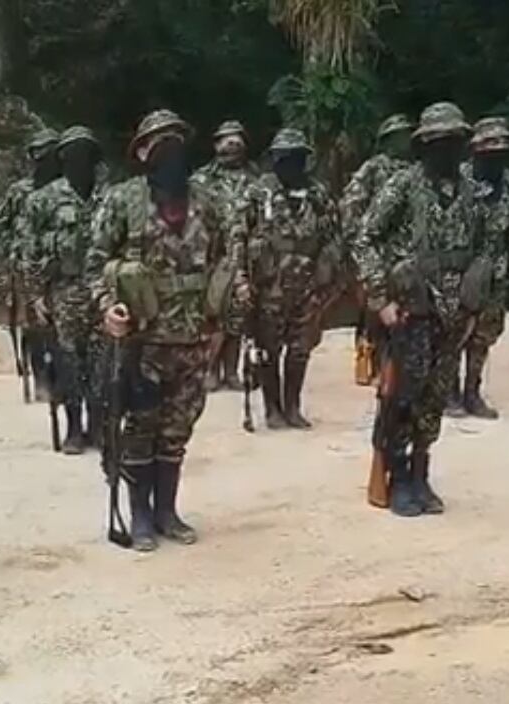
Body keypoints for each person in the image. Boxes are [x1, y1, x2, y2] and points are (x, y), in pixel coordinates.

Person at [90, 109, 236, 552]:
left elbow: (228, 259)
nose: (169, 149)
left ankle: (167, 512)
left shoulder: (208, 201)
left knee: (177, 429)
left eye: (176, 139)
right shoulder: (123, 201)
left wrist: (223, 321)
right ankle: (139, 517)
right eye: (158, 142)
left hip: (193, 339)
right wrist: (108, 308)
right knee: (139, 428)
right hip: (142, 341)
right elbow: (94, 262)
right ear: (141, 152)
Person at [354, 101, 487, 517]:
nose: (447, 149)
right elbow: (365, 238)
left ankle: (420, 474)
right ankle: (394, 477)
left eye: (453, 141)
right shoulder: (403, 185)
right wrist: (381, 299)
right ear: (424, 146)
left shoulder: (469, 191)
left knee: (433, 398)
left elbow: (484, 248)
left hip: (455, 312)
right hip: (413, 310)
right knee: (401, 397)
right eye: (438, 142)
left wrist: (477, 301)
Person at [230, 128, 342, 429]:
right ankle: (272, 409)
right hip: (268, 287)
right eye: (283, 158)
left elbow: (334, 239)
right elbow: (238, 237)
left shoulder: (318, 195)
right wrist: (240, 280)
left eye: (295, 158)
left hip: (307, 286)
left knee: (299, 350)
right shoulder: (258, 193)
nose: (289, 165)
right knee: (268, 349)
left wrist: (328, 281)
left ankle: (293, 407)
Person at [21, 126, 103, 454]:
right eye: (73, 154)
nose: (79, 161)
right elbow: (29, 249)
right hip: (64, 292)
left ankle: (97, 427)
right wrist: (36, 296)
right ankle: (72, 428)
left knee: (102, 364)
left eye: (86, 153)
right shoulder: (44, 200)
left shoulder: (110, 198)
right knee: (69, 364)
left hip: (102, 293)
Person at [453, 116, 509, 419]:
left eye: (501, 153)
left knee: (483, 338)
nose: (495, 160)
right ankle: (449, 393)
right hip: (460, 272)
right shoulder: (459, 180)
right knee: (454, 335)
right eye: (489, 153)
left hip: (496, 272)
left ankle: (472, 392)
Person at [341, 114, 415, 385]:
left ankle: (393, 365)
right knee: (373, 310)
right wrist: (355, 241)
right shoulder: (373, 168)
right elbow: (351, 203)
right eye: (398, 135)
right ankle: (367, 360)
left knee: (401, 311)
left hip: (406, 252)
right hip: (375, 249)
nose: (403, 139)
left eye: (406, 134)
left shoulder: (415, 169)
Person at [191, 120, 258, 392]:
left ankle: (231, 372)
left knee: (238, 316)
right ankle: (210, 369)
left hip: (243, 256)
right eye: (226, 141)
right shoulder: (200, 180)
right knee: (211, 313)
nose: (232, 146)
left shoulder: (255, 182)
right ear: (216, 145)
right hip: (211, 257)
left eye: (237, 141)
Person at [1, 128, 61, 401]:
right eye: (37, 153)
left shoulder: (64, 190)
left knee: (61, 326)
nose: (41, 159)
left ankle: (62, 377)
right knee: (34, 326)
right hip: (25, 268)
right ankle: (40, 377)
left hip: (58, 268)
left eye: (46, 153)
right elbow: (4, 226)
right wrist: (12, 255)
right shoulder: (19, 192)